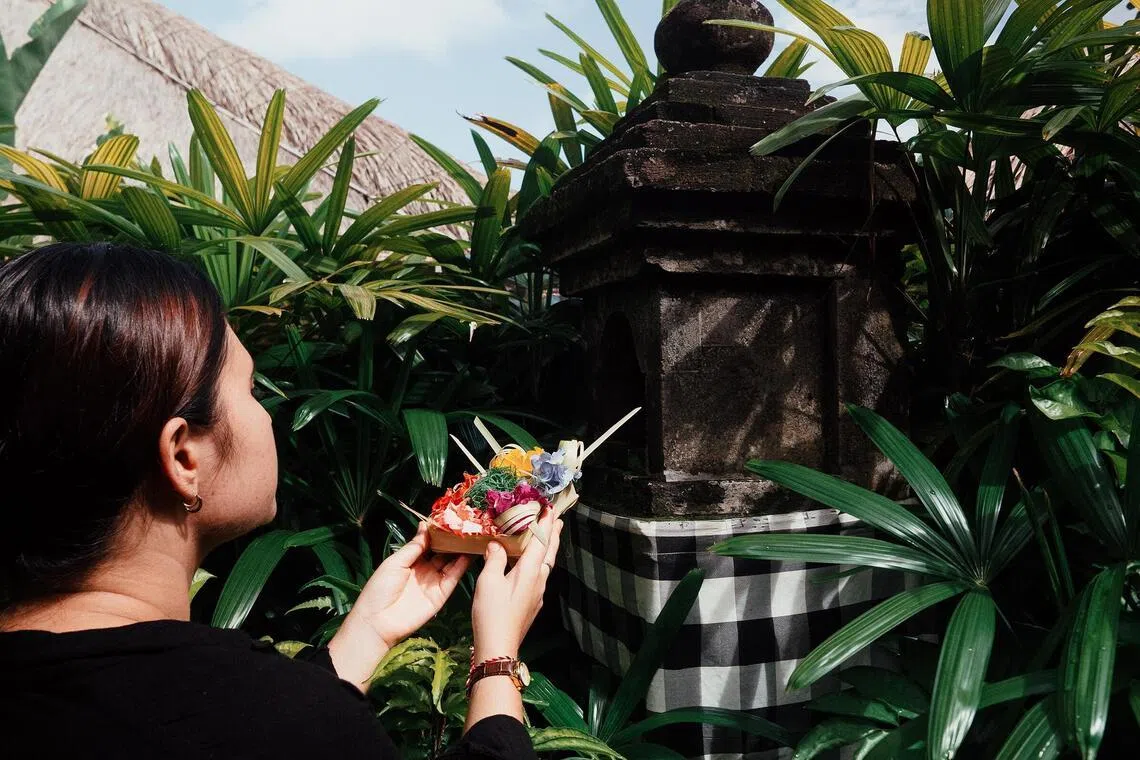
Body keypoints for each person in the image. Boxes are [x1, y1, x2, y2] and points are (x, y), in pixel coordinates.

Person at [0, 242, 563, 758]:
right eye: (249, 388)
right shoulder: (290, 723)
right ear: (184, 457)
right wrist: (497, 661)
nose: (267, 414)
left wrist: (365, 636)